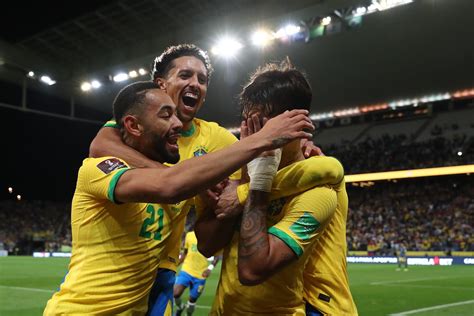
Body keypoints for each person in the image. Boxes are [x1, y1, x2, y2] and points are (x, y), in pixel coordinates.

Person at [43, 81, 314, 315]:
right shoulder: (99, 169)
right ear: (133, 125)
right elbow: (169, 185)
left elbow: (208, 233)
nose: (176, 124)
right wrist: (261, 139)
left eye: (175, 115)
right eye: (165, 115)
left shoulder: (182, 177)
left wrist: (300, 154)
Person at [195, 60, 346, 315]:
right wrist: (245, 176)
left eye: (262, 124)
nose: (252, 134)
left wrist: (248, 188)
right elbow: (207, 246)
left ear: (296, 121)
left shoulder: (320, 189)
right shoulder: (236, 170)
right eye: (246, 122)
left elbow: (252, 270)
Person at [174, 230, 220, 316]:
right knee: (176, 293)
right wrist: (175, 265)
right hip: (186, 270)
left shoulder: (211, 238)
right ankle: (180, 307)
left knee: (192, 301)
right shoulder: (189, 235)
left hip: (200, 275)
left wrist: (210, 268)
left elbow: (217, 256)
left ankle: (188, 315)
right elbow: (185, 253)